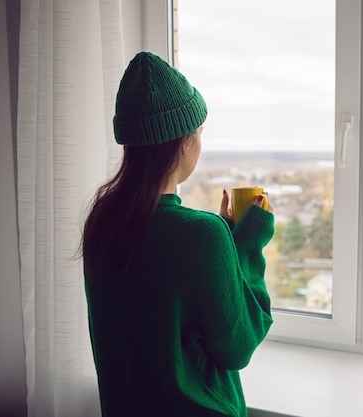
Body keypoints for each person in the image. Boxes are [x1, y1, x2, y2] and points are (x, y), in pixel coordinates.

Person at [81, 51, 274, 417]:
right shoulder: (204, 235)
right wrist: (245, 246)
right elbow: (238, 347)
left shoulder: (101, 223)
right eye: (199, 133)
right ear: (183, 141)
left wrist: (223, 245)